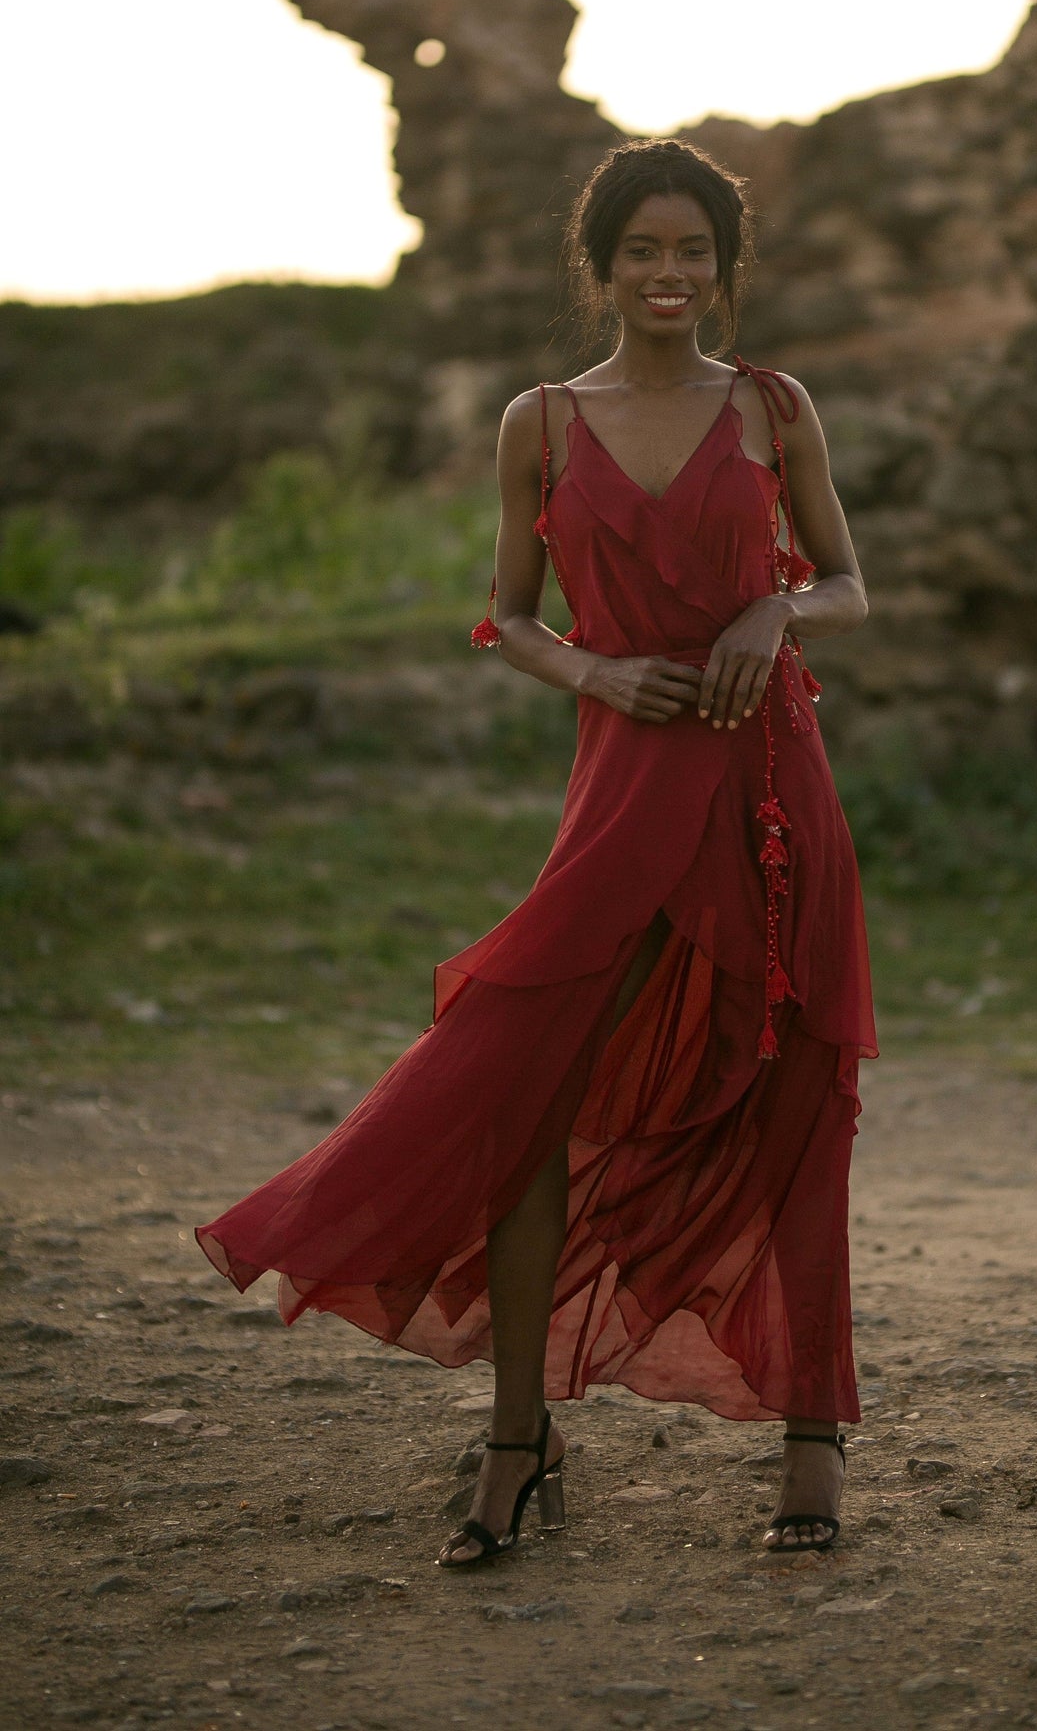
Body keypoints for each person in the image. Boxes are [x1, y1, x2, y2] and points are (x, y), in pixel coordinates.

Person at [196, 138, 876, 1563]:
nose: (670, 276)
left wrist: (774, 615)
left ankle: (810, 1437)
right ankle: (518, 1433)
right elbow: (506, 615)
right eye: (644, 252)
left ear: (724, 268)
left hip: (768, 779)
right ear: (603, 265)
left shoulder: (772, 406)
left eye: (695, 252)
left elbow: (848, 580)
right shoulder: (542, 423)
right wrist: (597, 674)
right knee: (524, 1085)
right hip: (624, 784)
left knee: (798, 1089)